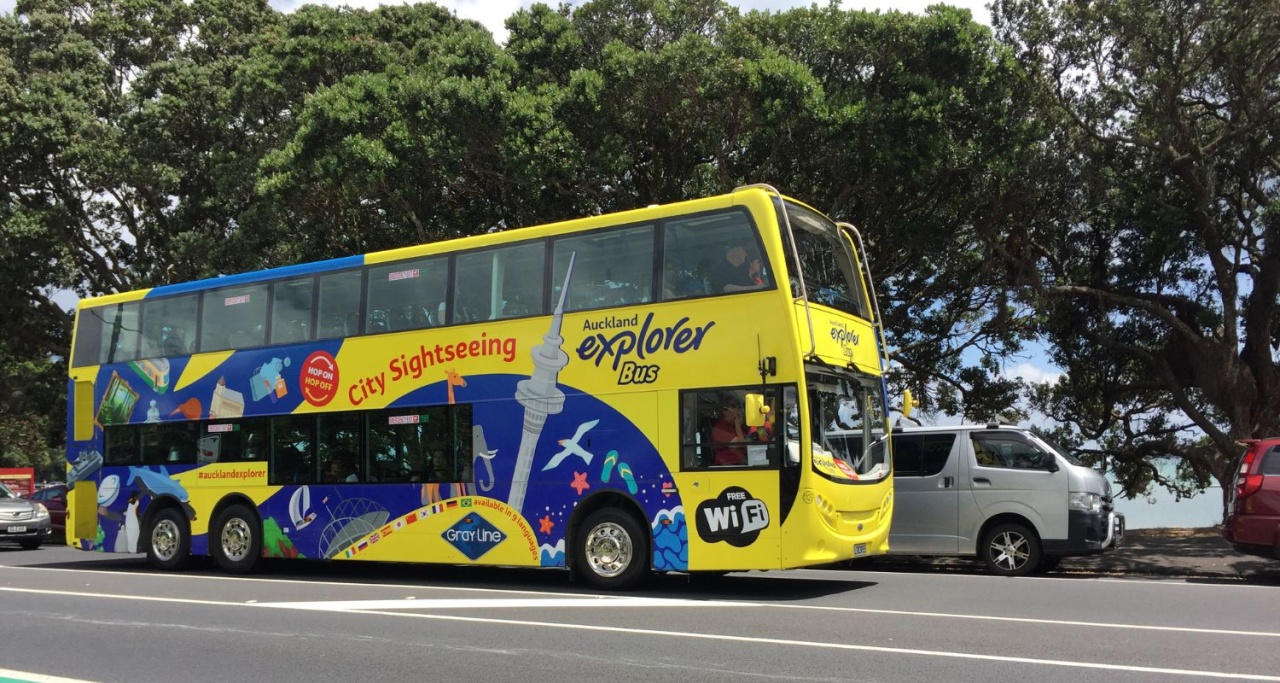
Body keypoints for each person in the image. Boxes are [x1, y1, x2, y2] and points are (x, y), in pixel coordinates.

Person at [712, 396, 748, 466]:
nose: (737, 409)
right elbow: (742, 443)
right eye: (733, 406)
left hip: (741, 464)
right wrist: (738, 426)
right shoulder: (720, 428)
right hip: (728, 466)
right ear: (724, 410)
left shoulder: (736, 426)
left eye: (738, 406)